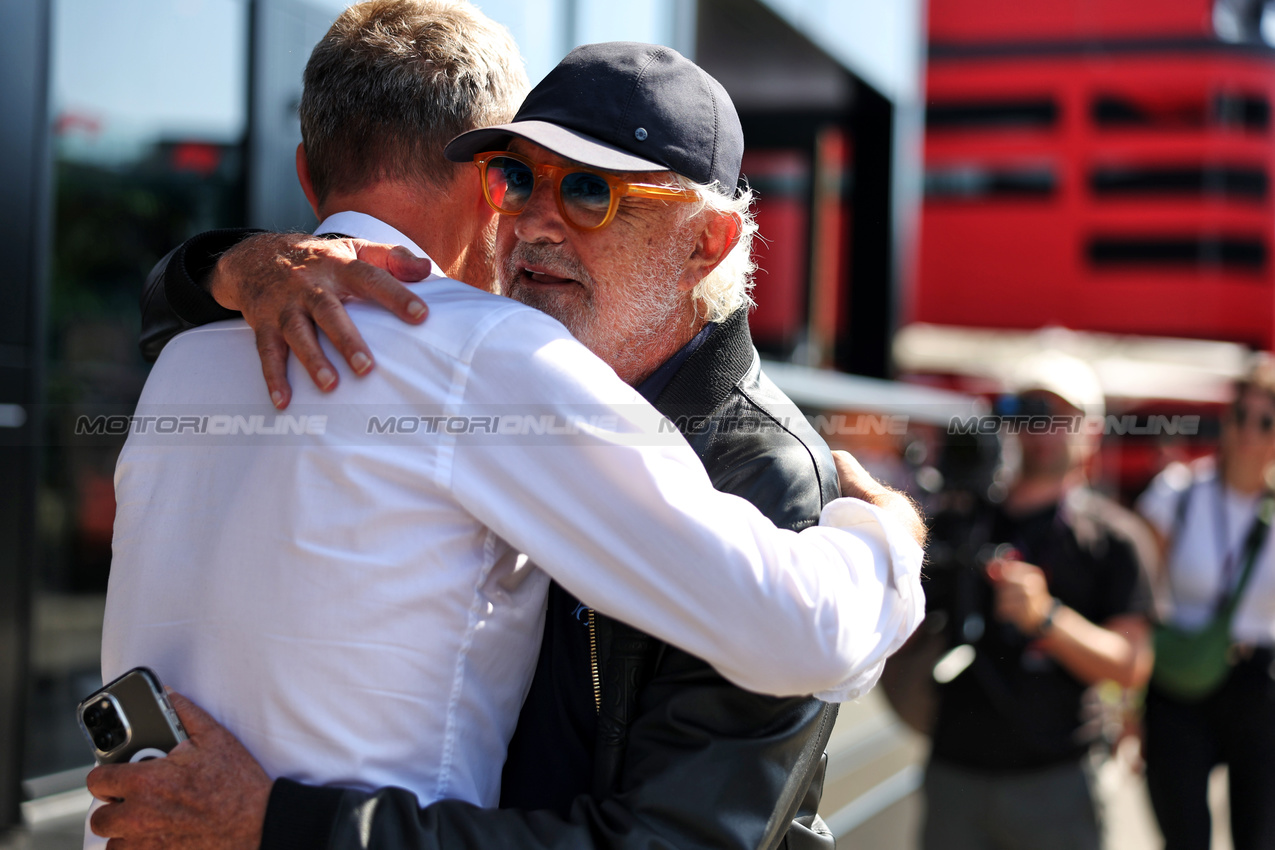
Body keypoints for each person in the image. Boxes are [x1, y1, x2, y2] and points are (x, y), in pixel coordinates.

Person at [88, 9, 925, 850]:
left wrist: (882, 535)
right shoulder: (482, 357)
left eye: (592, 190)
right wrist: (885, 546)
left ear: (705, 243)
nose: (532, 223)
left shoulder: (193, 355)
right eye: (515, 179)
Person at [918, 351, 1154, 850]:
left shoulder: (1113, 538)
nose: (1039, 428)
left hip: (1056, 778)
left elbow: (1132, 666)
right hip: (954, 770)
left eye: (1055, 416)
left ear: (1090, 430)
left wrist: (1046, 618)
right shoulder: (961, 518)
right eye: (1026, 411)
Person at [1136, 355, 1275, 850]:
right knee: (1184, 835)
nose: (1249, 431)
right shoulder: (1178, 494)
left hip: (1260, 685)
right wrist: (1128, 705)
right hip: (1181, 679)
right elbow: (1138, 596)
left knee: (1259, 837)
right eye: (1240, 415)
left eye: (1266, 420)